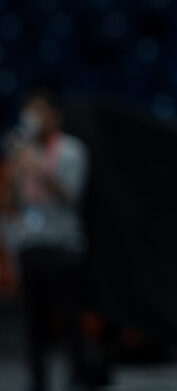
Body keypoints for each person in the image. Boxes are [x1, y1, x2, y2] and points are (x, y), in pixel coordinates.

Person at [1, 87, 90, 391]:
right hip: (30, 245)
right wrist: (13, 171)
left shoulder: (71, 150)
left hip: (62, 246)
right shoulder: (23, 152)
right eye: (29, 111)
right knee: (33, 322)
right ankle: (37, 380)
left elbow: (70, 195)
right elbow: (11, 204)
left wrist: (38, 169)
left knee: (70, 318)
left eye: (39, 111)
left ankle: (78, 376)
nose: (32, 118)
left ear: (54, 115)